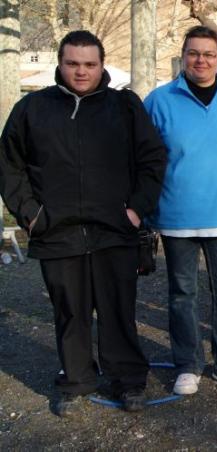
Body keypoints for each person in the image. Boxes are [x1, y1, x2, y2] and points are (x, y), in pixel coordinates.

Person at [0, 30, 167, 416]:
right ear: (60, 64)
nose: (81, 72)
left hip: (114, 230)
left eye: (89, 64)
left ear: (102, 65)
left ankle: (128, 381)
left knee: (118, 310)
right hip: (57, 232)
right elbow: (8, 164)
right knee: (70, 312)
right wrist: (30, 213)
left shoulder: (124, 107)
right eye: (73, 63)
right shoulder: (33, 109)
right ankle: (76, 381)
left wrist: (137, 209)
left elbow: (153, 159)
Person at [143, 26, 217, 395]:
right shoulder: (158, 101)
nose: (201, 60)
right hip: (177, 217)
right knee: (181, 295)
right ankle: (187, 365)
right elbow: (146, 157)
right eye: (194, 53)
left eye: (208, 54)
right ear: (183, 55)